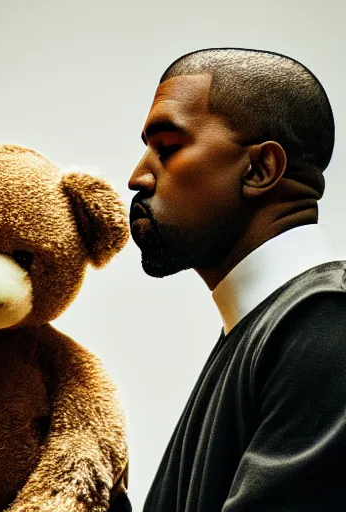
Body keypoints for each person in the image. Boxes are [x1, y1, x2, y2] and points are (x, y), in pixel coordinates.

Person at [128, 48, 346, 511]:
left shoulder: (326, 322)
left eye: (166, 148)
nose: (137, 177)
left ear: (261, 169)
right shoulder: (265, 324)